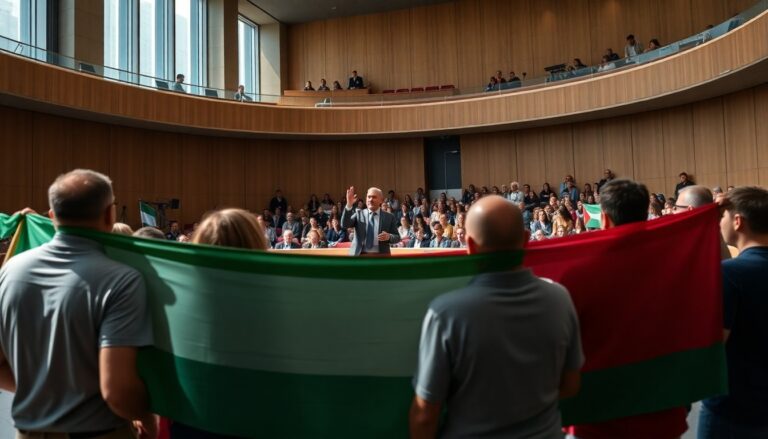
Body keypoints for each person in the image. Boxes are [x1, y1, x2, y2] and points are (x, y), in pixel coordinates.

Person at [409, 195, 583, 438]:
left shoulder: (445, 314)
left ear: (470, 246)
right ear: (526, 240)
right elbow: (571, 385)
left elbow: (424, 417)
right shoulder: (560, 299)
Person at [0, 169, 156, 438]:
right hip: (99, 432)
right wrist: (148, 420)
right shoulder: (122, 280)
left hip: (30, 431)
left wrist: (43, 394)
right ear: (109, 215)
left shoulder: (10, 270)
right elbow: (117, 390)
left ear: (52, 215)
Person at [573, 179, 688, 439]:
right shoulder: (677, 266)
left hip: (597, 416)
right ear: (646, 213)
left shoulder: (578, 275)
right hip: (662, 410)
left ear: (603, 219)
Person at [698, 186, 768, 438]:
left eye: (722, 217)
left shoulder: (730, 274)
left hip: (733, 408)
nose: (720, 223)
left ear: (737, 221)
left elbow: (715, 344)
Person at [341, 186, 400, 256]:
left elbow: (397, 237)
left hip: (381, 256)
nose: (370, 199)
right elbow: (344, 225)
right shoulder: (359, 214)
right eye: (369, 197)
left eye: (374, 197)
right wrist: (349, 205)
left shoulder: (389, 217)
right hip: (358, 256)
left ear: (381, 200)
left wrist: (389, 237)